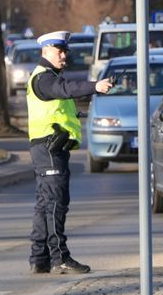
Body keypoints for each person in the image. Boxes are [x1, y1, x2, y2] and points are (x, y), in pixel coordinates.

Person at [27, 30, 113, 275]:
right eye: (59, 51)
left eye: (65, 51)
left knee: (45, 204)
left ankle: (39, 258)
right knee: (56, 203)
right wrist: (95, 86)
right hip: (49, 148)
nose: (63, 55)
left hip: (49, 147)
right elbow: (65, 90)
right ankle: (60, 258)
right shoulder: (44, 78)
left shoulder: (49, 76)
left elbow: (58, 105)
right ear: (46, 52)